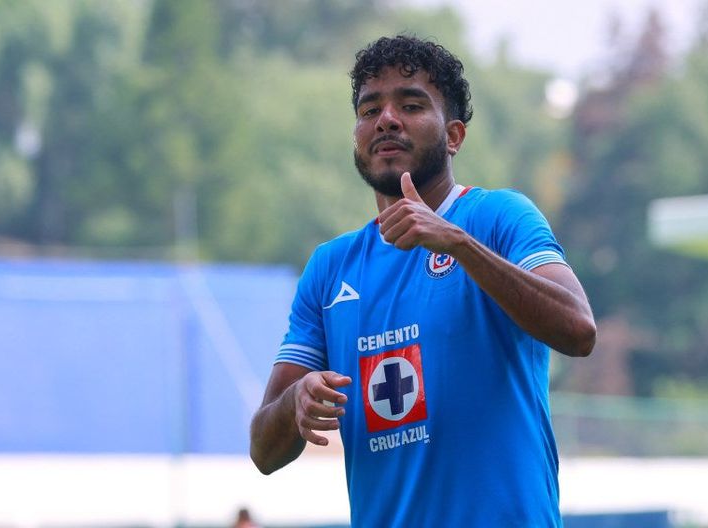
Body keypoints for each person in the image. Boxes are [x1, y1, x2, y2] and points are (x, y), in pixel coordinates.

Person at [250, 34, 596, 527]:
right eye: (370, 110)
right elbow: (263, 451)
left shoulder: (499, 217)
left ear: (454, 136)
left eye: (411, 105)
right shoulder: (330, 268)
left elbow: (579, 329)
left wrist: (458, 243)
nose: (386, 119)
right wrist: (295, 401)